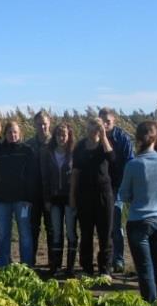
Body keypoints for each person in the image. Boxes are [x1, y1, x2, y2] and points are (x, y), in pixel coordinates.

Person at [119, 121, 157, 302]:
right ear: (156, 137)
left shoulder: (133, 165)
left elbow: (124, 195)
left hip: (139, 220)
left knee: (145, 269)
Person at [70, 118, 115, 276]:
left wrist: (104, 138)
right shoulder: (80, 146)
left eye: (97, 128)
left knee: (105, 233)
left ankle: (105, 270)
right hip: (84, 195)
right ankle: (87, 268)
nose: (93, 131)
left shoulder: (105, 144)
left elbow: (112, 158)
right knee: (86, 233)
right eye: (90, 128)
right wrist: (72, 196)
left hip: (104, 194)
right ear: (86, 129)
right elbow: (75, 172)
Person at [0, 120, 37, 267]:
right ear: (5, 134)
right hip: (3, 200)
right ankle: (3, 264)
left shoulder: (27, 151)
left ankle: (26, 265)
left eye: (15, 132)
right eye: (10, 132)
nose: (13, 135)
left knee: (25, 234)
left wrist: (29, 197)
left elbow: (32, 176)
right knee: (3, 233)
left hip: (22, 201)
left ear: (20, 133)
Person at [98, 107, 134, 273]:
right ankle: (105, 258)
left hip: (118, 185)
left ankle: (118, 259)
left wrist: (126, 187)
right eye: (102, 121)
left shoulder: (122, 138)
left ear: (114, 121)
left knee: (116, 222)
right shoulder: (95, 136)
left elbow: (129, 163)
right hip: (100, 185)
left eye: (108, 121)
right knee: (103, 224)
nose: (105, 124)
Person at [40, 121, 76, 276]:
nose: (61, 138)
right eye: (58, 135)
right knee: (56, 232)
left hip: (69, 198)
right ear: (54, 136)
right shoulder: (49, 153)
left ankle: (70, 268)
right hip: (54, 198)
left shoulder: (74, 154)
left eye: (64, 135)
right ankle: (55, 266)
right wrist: (46, 199)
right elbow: (45, 178)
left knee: (71, 232)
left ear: (68, 137)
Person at [25, 110, 53, 265]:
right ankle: (30, 261)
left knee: (52, 229)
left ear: (49, 123)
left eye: (45, 124)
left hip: (51, 194)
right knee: (33, 229)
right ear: (35, 125)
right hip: (34, 194)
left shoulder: (55, 143)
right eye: (39, 124)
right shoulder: (29, 145)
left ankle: (52, 262)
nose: (42, 127)